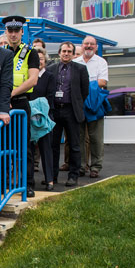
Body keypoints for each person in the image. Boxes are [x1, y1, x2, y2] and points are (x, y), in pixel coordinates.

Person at [2, 15, 40, 197]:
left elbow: (33, 79)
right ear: (6, 33)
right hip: (3, 105)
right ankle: (4, 183)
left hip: (21, 103)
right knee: (3, 147)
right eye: (10, 31)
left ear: (22, 32)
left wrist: (11, 94)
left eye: (17, 31)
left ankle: (27, 184)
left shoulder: (30, 53)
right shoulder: (0, 52)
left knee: (24, 147)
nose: (13, 34)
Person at [47, 42, 90, 187]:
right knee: (53, 145)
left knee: (74, 145)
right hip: (55, 110)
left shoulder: (80, 69)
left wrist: (76, 104)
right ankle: (52, 176)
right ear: (59, 53)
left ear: (73, 54)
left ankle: (73, 176)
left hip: (71, 110)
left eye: (69, 52)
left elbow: (85, 91)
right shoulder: (51, 69)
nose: (66, 54)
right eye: (64, 51)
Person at [74, 35, 109, 179]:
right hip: (79, 103)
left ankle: (95, 167)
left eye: (91, 44)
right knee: (79, 137)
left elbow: (102, 82)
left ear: (96, 47)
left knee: (96, 137)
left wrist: (83, 84)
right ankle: (81, 166)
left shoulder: (101, 62)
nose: (88, 46)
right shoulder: (75, 62)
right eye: (86, 44)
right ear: (82, 46)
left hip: (95, 104)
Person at [30, 47, 56, 191]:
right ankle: (29, 181)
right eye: (35, 59)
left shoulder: (49, 76)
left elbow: (50, 97)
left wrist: (38, 110)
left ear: (45, 60)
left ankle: (49, 180)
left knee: (46, 150)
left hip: (44, 118)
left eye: (40, 59)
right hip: (29, 117)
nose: (38, 62)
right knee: (29, 151)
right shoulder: (29, 76)